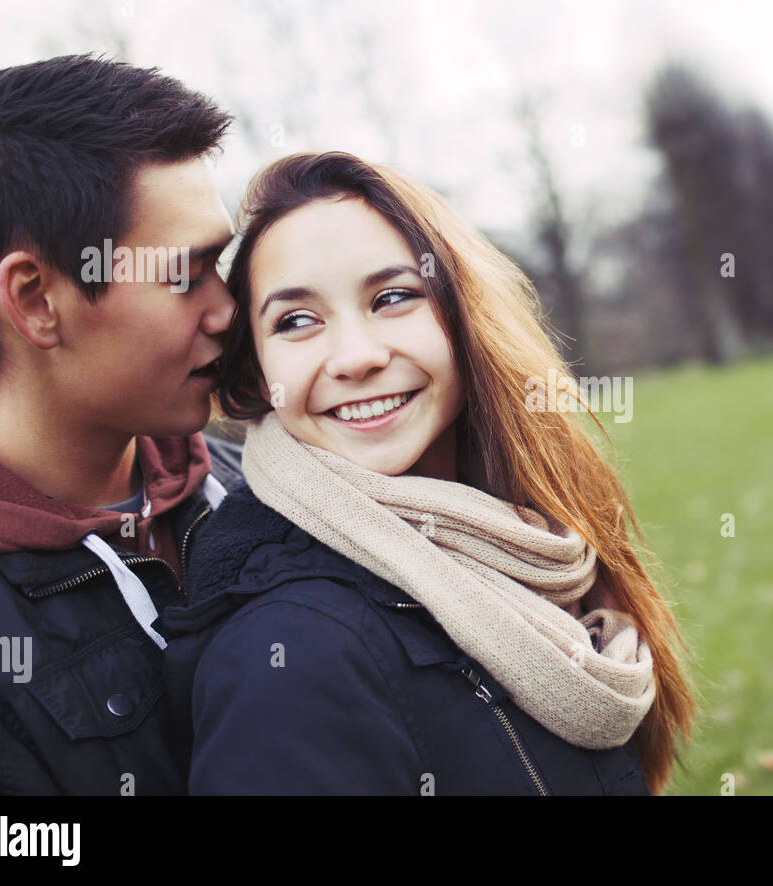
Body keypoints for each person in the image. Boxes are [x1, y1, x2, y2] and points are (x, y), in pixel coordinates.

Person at [158, 151, 698, 795]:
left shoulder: (533, 545)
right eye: (297, 320)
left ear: (466, 320)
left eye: (393, 297)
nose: (356, 358)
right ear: (255, 372)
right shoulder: (290, 653)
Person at [0, 55, 243, 794]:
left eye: (220, 264)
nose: (226, 309)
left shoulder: (264, 494)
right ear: (36, 300)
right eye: (182, 274)